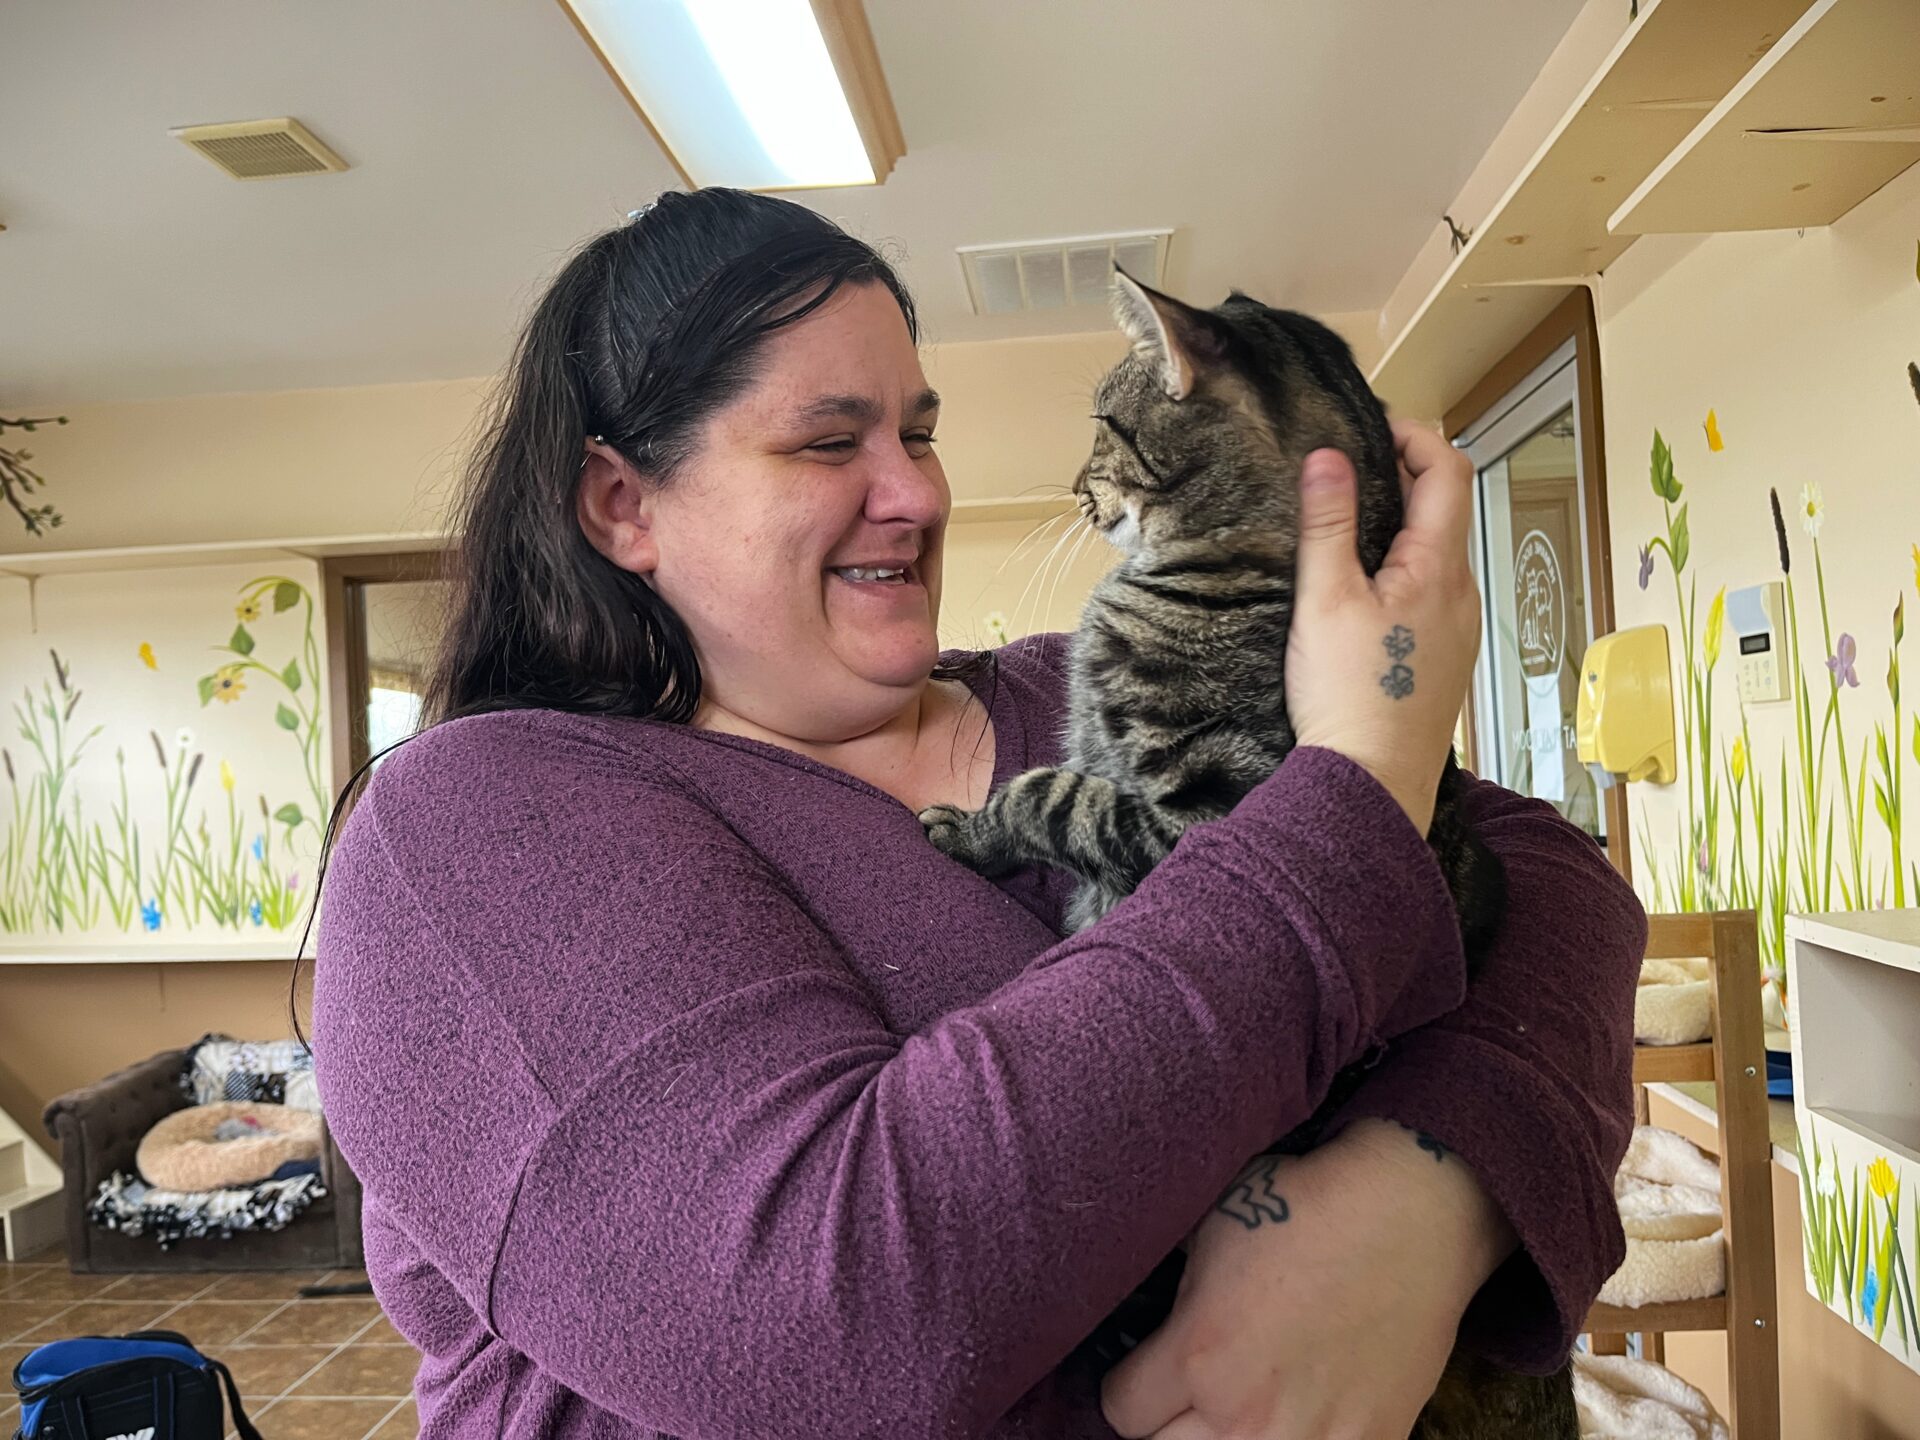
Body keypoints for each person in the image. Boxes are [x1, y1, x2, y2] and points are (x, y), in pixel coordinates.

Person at [312, 188, 1643, 1440]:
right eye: (831, 442)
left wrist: (1428, 1192)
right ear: (624, 505)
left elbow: (1546, 876)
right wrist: (1356, 787)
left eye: (921, 431)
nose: (920, 493)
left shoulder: (1080, 682)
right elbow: (836, 1318)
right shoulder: (477, 825)